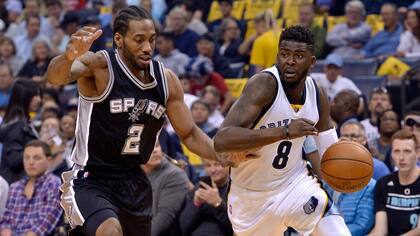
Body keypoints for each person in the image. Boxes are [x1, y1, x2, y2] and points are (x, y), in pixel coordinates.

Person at [46, 6, 219, 236]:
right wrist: (68, 57)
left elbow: (190, 135)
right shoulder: (100, 66)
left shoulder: (166, 79)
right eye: (139, 40)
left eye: (152, 39)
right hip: (91, 178)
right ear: (119, 39)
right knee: (110, 231)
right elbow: (56, 77)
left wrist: (222, 155)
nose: (147, 48)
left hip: (134, 180)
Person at [214, 25, 351, 236]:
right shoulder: (264, 85)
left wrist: (346, 172)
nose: (290, 61)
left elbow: (329, 152)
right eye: (285, 54)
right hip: (250, 197)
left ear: (312, 61)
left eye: (298, 56)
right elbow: (222, 139)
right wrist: (285, 130)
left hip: (295, 184)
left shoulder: (317, 93)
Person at [0, 140, 62, 236]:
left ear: (49, 161)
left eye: (36, 158)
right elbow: (6, 221)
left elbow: (45, 224)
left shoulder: (54, 184)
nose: (31, 162)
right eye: (27, 158)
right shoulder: (15, 187)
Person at [368, 130, 420, 236]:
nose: (401, 157)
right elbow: (380, 229)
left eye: (407, 151)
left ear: (418, 153)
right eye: (396, 151)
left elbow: (418, 231)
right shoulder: (383, 183)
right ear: (391, 153)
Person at [141, 142, 189, 236]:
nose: (155, 150)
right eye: (149, 147)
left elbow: (163, 220)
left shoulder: (174, 175)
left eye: (157, 146)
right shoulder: (132, 174)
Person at [0, 79, 41, 184]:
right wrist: (40, 145)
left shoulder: (24, 123)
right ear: (24, 97)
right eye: (35, 95)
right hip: (17, 186)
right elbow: (14, 160)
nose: (39, 100)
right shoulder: (16, 126)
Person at [179, 158, 233, 236]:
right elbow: (183, 226)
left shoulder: (235, 190)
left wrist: (218, 203)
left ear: (227, 165)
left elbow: (236, 228)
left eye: (217, 164)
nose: (213, 170)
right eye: (208, 165)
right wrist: (196, 204)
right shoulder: (199, 189)